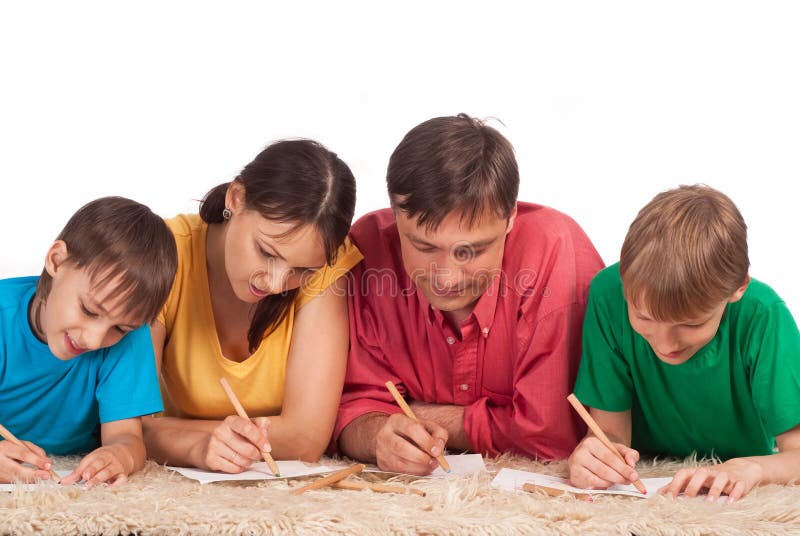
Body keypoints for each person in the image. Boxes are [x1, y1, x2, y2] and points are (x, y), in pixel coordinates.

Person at [335, 114, 604, 475]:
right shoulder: (367, 248)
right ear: (395, 214)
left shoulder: (554, 252)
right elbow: (348, 408)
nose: (446, 277)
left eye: (472, 251)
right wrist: (377, 435)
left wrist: (420, 414)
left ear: (510, 218)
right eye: (423, 246)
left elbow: (552, 436)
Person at [568, 184, 800, 502]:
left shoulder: (763, 315)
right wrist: (597, 451)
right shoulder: (608, 295)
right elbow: (611, 434)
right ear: (624, 280)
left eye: (691, 324)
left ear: (738, 287)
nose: (665, 344)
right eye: (644, 318)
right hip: (645, 477)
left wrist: (751, 468)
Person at [143, 139, 362, 472]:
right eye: (268, 253)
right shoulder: (164, 252)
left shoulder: (328, 265)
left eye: (302, 271)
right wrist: (196, 446)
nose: (274, 284)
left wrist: (172, 434)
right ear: (236, 198)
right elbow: (128, 427)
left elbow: (307, 439)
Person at [0, 197, 177, 487]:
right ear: (56, 261)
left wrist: (119, 455)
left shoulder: (131, 338)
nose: (95, 340)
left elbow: (128, 437)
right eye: (90, 310)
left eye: (119, 328)